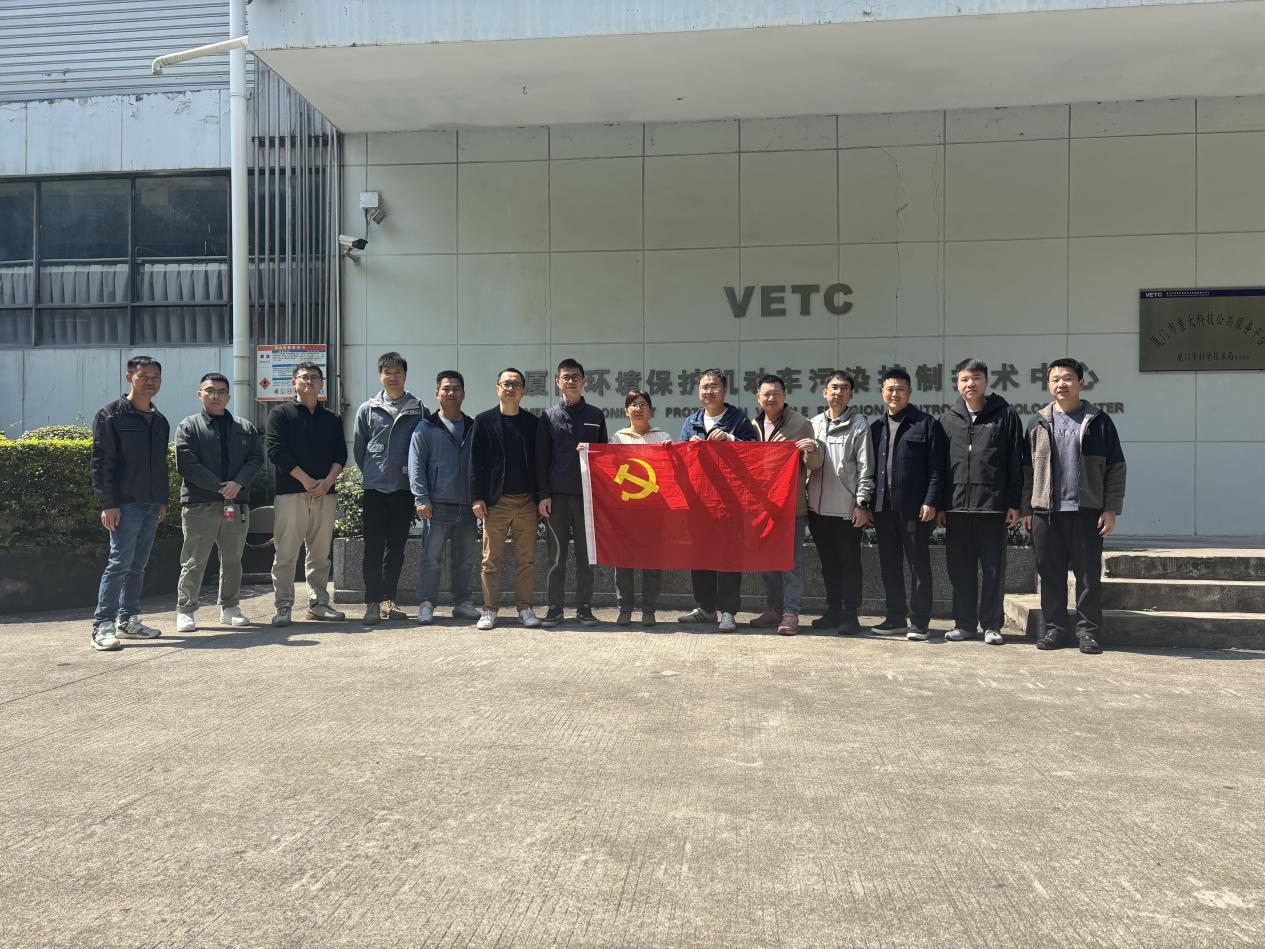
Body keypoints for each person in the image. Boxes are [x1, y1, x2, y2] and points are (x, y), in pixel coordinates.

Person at [1022, 358, 1126, 655]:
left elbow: (1116, 468)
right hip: (1045, 512)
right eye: (1055, 379)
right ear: (1048, 385)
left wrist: (1110, 508)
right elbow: (1026, 471)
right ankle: (1054, 629)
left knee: (1088, 576)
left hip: (1086, 511)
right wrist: (1027, 508)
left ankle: (1088, 633)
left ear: (1081, 383)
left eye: (1068, 378)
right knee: (1049, 575)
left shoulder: (1099, 422)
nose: (1061, 384)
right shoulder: (1038, 422)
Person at [938, 359, 1024, 646]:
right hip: (956, 508)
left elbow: (1015, 462)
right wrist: (941, 504)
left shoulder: (1005, 415)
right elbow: (939, 466)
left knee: (993, 570)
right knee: (960, 571)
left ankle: (992, 625)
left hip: (992, 507)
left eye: (975, 378)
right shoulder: (948, 419)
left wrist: (1014, 503)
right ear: (957, 383)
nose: (970, 384)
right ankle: (964, 624)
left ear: (986, 381)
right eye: (964, 379)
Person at [88, 355, 170, 651]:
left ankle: (128, 620)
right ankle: (102, 625)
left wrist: (162, 500)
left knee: (138, 565)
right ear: (129, 378)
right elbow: (102, 462)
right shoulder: (111, 415)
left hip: (151, 504)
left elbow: (160, 464)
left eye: (155, 377)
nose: (150, 381)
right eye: (143, 376)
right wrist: (108, 503)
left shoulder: (159, 420)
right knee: (119, 563)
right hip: (124, 504)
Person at [173, 372, 264, 633]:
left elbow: (256, 459)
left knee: (233, 559)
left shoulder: (244, 427)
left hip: (236, 502)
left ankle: (230, 607)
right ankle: (185, 610)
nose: (216, 396)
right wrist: (219, 486)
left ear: (228, 396)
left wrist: (238, 484)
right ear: (200, 394)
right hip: (200, 503)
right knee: (194, 560)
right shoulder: (189, 426)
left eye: (221, 391)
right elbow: (187, 464)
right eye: (210, 390)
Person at [265, 361, 347, 627]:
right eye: (304, 377)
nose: (309, 381)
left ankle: (319, 604)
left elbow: (340, 454)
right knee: (286, 553)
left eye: (314, 377)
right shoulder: (280, 414)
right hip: (291, 494)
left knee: (320, 554)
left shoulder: (332, 418)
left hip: (325, 494)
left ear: (322, 384)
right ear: (294, 382)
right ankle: (283, 606)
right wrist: (308, 481)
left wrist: (327, 482)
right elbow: (276, 451)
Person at [870, 367, 948, 641]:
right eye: (890, 389)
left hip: (915, 510)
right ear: (882, 392)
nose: (895, 394)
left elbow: (937, 469)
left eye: (900, 389)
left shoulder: (926, 424)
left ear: (910, 392)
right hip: (883, 509)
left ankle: (919, 622)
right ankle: (895, 618)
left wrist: (931, 501)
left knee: (918, 566)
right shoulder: (876, 427)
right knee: (889, 565)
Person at [677, 369, 757, 633]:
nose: (708, 391)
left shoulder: (738, 420)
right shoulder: (691, 422)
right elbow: (681, 462)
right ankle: (706, 608)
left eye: (713, 386)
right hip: (699, 502)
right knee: (700, 556)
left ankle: (728, 611)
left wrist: (731, 439)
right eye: (704, 387)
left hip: (730, 502)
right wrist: (687, 447)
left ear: (724, 390)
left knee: (729, 557)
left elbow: (754, 455)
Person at [353, 352, 427, 626]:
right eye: (387, 372)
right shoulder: (367, 409)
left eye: (397, 372)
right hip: (375, 489)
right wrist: (374, 473)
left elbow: (423, 450)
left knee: (396, 548)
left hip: (403, 489)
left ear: (405, 375)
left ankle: (388, 599)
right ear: (380, 375)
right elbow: (360, 449)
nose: (392, 377)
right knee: (372, 547)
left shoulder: (419, 409)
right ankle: (372, 602)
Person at [536, 359, 609, 627]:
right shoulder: (548, 417)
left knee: (586, 557)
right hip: (556, 497)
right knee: (556, 556)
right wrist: (543, 495)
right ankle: (555, 607)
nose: (571, 381)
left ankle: (584, 607)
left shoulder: (595, 416)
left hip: (587, 496)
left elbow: (604, 457)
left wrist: (600, 496)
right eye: (566, 377)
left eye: (575, 377)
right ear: (558, 382)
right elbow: (541, 459)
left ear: (584, 381)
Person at [469, 368, 543, 631]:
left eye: (516, 384)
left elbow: (540, 463)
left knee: (526, 560)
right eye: (506, 384)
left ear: (523, 391)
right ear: (498, 388)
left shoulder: (533, 423)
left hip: (526, 501)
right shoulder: (483, 421)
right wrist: (477, 497)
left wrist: (541, 497)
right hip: (495, 502)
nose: (510, 388)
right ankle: (489, 609)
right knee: (491, 560)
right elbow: (475, 463)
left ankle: (525, 608)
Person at [750, 374, 823, 635]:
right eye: (766, 394)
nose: (771, 398)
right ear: (758, 397)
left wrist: (812, 450)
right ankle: (774, 608)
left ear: (785, 396)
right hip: (763, 509)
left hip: (792, 507)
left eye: (776, 393)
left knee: (792, 563)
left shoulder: (800, 424)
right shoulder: (752, 426)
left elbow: (813, 465)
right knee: (767, 561)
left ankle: (791, 612)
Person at [409, 370, 481, 625]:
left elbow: (481, 465)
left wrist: (480, 497)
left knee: (465, 560)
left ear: (463, 394)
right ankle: (427, 603)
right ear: (437, 393)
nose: (451, 393)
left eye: (456, 389)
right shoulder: (426, 426)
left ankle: (462, 603)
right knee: (431, 558)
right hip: (437, 504)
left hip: (468, 505)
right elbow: (416, 465)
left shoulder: (473, 427)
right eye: (446, 389)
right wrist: (421, 498)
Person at [806, 370, 874, 636]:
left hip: (847, 510)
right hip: (817, 509)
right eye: (834, 388)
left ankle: (850, 614)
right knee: (828, 564)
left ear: (851, 394)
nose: (838, 392)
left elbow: (866, 467)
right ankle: (833, 610)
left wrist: (862, 504)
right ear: (825, 392)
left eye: (844, 388)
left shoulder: (859, 425)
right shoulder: (813, 424)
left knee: (849, 563)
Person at [611, 388, 672, 627]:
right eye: (633, 404)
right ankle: (625, 608)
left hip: (654, 510)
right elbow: (608, 470)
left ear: (650, 410)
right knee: (623, 563)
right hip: (625, 510)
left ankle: (649, 609)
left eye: (643, 404)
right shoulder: (617, 438)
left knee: (652, 562)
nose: (638, 408)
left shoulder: (662, 436)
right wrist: (586, 453)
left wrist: (672, 452)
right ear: (626, 411)